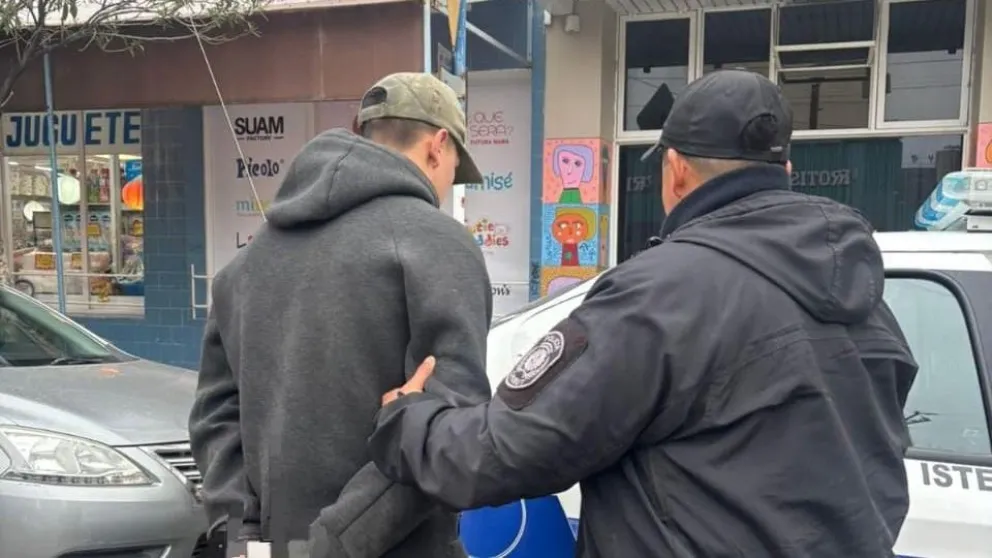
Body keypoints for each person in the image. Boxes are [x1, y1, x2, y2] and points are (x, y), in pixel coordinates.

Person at [368, 70, 919, 557]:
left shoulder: (660, 296)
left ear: (675, 170)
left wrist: (409, 421)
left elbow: (506, 450)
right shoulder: (864, 296)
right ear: (786, 168)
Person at [189, 72, 493, 557]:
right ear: (438, 146)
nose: (447, 183)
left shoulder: (245, 264)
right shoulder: (438, 243)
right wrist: (330, 546)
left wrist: (242, 537)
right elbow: (443, 431)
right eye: (454, 166)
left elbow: (215, 417)